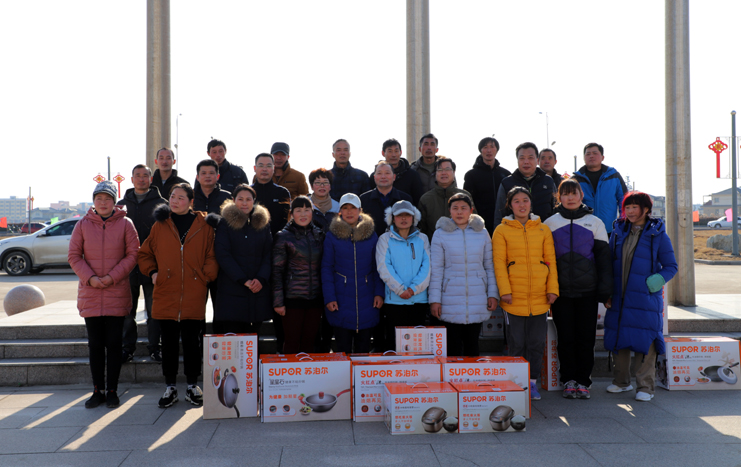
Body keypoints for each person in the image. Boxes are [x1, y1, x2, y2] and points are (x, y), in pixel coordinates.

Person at [137, 183, 218, 409]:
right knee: (169, 343)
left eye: (181, 197)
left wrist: (205, 277)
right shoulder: (160, 225)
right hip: (166, 291)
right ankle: (170, 387)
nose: (175, 200)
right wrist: (153, 273)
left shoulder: (204, 225)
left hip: (194, 291)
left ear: (191, 201)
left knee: (193, 342)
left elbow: (212, 255)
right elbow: (144, 254)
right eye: (172, 196)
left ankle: (192, 385)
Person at [68, 181, 139, 409]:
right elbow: (74, 255)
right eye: (99, 198)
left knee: (114, 344)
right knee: (95, 345)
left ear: (114, 202)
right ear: (93, 201)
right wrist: (90, 278)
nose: (103, 202)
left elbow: (133, 254)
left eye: (107, 198)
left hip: (116, 291)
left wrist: (111, 277)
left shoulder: (126, 224)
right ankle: (97, 390)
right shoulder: (82, 224)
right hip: (91, 292)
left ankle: (113, 391)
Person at [604, 191, 677, 402]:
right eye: (627, 207)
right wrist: (606, 291)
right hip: (619, 296)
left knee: (646, 341)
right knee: (619, 338)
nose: (630, 211)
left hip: (644, 298)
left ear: (646, 209)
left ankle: (646, 386)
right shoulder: (617, 232)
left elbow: (671, 266)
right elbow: (608, 263)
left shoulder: (658, 235)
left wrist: (656, 280)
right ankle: (621, 382)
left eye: (634, 207)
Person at [544, 179, 612, 400]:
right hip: (561, 293)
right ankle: (568, 380)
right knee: (565, 338)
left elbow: (604, 260)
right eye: (565, 194)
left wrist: (605, 291)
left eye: (574, 193)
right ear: (559, 198)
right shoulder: (550, 223)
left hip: (587, 292)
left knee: (586, 338)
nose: (570, 198)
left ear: (581, 196)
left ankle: (583, 381)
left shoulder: (595, 222)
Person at [492, 187, 559, 401]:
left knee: (536, 343)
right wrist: (505, 291)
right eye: (516, 201)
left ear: (531, 203)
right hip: (513, 298)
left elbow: (550, 261)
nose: (521, 205)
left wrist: (552, 289)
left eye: (525, 200)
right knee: (516, 343)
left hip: (540, 297)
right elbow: (499, 263)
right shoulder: (501, 230)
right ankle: (515, 383)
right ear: (509, 205)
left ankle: (531, 383)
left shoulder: (543, 229)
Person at [429, 193, 498, 357]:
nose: (459, 212)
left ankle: (473, 375)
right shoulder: (440, 234)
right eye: (455, 208)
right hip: (450, 298)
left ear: (471, 210)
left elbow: (489, 266)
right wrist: (435, 300)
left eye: (463, 208)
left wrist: (493, 294)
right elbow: (436, 269)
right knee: (452, 348)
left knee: (472, 346)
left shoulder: (482, 233)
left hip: (477, 297)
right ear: (449, 211)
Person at [321, 193, 384, 353]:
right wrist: (330, 297)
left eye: (353, 208)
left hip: (367, 300)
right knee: (343, 351)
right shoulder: (332, 236)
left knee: (363, 352)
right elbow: (327, 268)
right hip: (340, 301)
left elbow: (377, 267)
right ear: (340, 211)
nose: (349, 212)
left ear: (360, 210)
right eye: (345, 208)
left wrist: (379, 293)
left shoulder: (371, 235)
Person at [117, 165, 166, 363]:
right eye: (137, 176)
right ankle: (127, 348)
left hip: (153, 266)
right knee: (127, 311)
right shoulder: (121, 205)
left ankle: (155, 347)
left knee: (154, 311)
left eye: (145, 175)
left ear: (151, 179)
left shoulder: (162, 204)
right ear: (132, 179)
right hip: (127, 267)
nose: (141, 179)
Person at [214, 185, 272, 335]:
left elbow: (269, 254)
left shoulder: (262, 224)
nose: (244, 203)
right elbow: (223, 254)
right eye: (240, 199)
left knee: (253, 337)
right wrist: (243, 279)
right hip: (232, 288)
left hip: (258, 288)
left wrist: (261, 278)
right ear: (234, 200)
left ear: (254, 201)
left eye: (248, 199)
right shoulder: (225, 224)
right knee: (233, 336)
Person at [272, 196, 325, 353]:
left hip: (315, 298)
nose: (303, 214)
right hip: (292, 299)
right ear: (291, 214)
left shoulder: (320, 235)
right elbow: (277, 271)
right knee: (291, 342)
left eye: (307, 210)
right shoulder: (283, 236)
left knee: (310, 343)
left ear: (312, 212)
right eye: (298, 210)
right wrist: (278, 302)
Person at [376, 200, 431, 341]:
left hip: (418, 299)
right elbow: (384, 267)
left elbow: (427, 267)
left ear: (414, 217)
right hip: (394, 300)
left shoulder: (423, 239)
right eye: (399, 215)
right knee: (395, 342)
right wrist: (400, 289)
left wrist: (414, 289)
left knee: (416, 344)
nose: (404, 218)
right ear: (393, 218)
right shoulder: (384, 239)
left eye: (407, 215)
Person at [493, 142, 557, 228]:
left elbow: (556, 211)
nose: (526, 162)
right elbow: (499, 214)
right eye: (522, 158)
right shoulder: (507, 183)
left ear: (537, 160)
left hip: (543, 232)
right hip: (514, 233)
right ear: (517, 160)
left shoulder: (548, 181)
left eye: (530, 158)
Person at [571, 143, 628, 236]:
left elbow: (624, 200)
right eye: (588, 154)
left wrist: (622, 223)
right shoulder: (576, 179)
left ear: (602, 157)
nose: (591, 156)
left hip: (609, 230)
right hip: (583, 230)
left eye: (595, 153)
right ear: (584, 158)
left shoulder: (614, 176)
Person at [463, 136, 512, 236]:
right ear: (481, 151)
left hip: (504, 223)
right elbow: (467, 200)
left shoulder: (506, 174)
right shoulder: (471, 175)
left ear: (496, 150)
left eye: (492, 147)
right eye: (485, 147)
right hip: (479, 225)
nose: (489, 150)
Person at [417, 158, 473, 240]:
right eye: (440, 170)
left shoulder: (465, 196)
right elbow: (421, 229)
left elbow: (473, 222)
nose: (443, 173)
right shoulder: (426, 199)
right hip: (434, 245)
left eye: (447, 169)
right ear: (435, 173)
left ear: (454, 172)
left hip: (462, 244)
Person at [360, 161, 413, 239]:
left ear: (394, 177)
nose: (383, 177)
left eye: (387, 173)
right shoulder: (363, 199)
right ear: (374, 177)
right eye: (379, 173)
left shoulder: (405, 199)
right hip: (371, 242)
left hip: (399, 242)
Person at [369, 138, 424, 205]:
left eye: (396, 151)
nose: (393, 155)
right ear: (383, 153)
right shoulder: (376, 177)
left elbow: (418, 201)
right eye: (390, 151)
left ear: (400, 152)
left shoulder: (412, 175)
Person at [252, 153, 291, 238]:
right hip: (251, 240)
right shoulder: (248, 192)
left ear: (273, 168)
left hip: (277, 240)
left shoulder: (282, 192)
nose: (264, 169)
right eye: (261, 165)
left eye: (269, 166)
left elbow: (287, 221)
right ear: (255, 168)